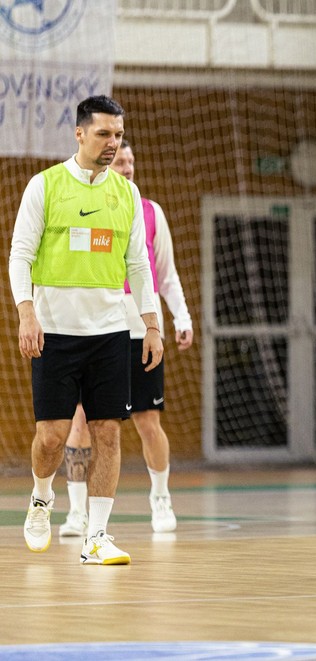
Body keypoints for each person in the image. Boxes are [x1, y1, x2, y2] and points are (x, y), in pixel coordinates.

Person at [9, 95, 163, 565]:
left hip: (111, 333)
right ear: (79, 134)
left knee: (109, 434)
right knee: (52, 437)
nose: (112, 143)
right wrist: (26, 312)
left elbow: (138, 264)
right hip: (54, 332)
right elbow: (20, 255)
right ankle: (41, 498)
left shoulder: (127, 194)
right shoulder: (45, 186)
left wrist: (151, 324)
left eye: (118, 135)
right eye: (103, 134)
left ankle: (97, 536)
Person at [58, 139, 194, 538]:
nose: (128, 166)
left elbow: (165, 274)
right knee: (81, 419)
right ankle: (78, 513)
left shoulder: (150, 212)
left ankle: (161, 498)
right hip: (95, 328)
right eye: (120, 160)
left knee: (147, 420)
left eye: (132, 160)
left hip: (140, 330)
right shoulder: (83, 209)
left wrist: (180, 316)